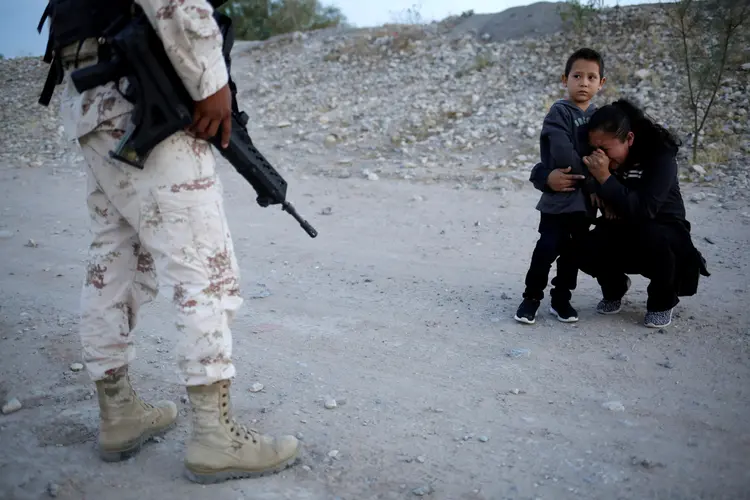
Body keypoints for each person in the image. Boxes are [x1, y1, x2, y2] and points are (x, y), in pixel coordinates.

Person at [37, 0, 299, 484]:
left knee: (115, 257)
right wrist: (210, 80)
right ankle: (215, 436)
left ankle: (119, 414)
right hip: (139, 86)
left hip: (93, 93)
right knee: (203, 262)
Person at [580, 99, 710, 328]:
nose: (601, 157)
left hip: (663, 229)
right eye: (595, 150)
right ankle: (615, 288)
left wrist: (605, 179)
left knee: (654, 236)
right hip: (624, 226)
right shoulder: (600, 158)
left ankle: (662, 302)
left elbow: (645, 209)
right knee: (582, 244)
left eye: (607, 150)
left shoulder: (660, 156)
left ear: (629, 139)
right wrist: (592, 184)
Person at [514, 48, 606, 325]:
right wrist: (592, 175)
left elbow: (606, 152)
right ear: (565, 79)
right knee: (547, 247)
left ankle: (561, 299)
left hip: (584, 203)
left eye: (592, 77)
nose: (584, 82)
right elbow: (563, 152)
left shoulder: (601, 116)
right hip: (558, 198)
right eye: (577, 76)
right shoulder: (559, 112)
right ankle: (531, 297)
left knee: (572, 254)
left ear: (601, 84)